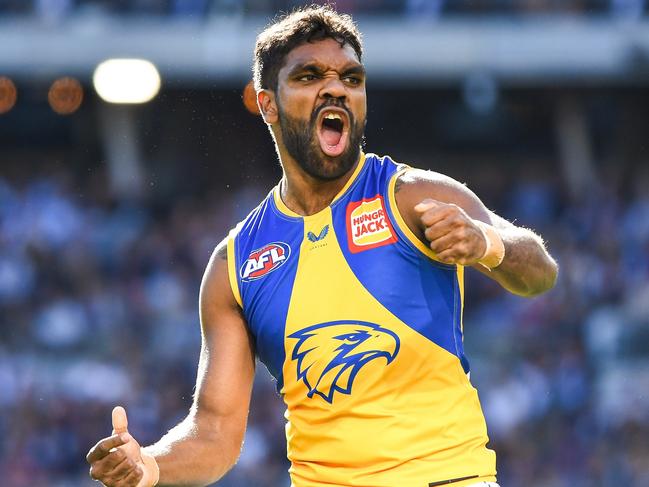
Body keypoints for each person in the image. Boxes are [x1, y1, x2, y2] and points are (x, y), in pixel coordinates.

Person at [86, 5, 558, 487]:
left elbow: (540, 271)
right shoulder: (236, 264)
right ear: (267, 104)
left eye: (351, 79)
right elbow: (216, 432)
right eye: (310, 76)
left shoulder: (411, 197)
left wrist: (488, 243)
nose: (336, 88)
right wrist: (150, 464)